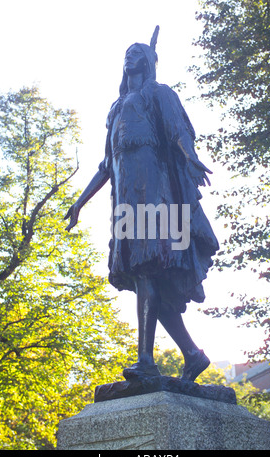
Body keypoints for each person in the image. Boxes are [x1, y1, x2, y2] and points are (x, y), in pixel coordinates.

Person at [64, 26, 219, 381]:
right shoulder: (117, 107)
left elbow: (177, 132)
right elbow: (106, 165)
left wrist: (191, 157)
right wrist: (79, 202)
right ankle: (193, 355)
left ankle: (146, 362)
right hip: (126, 204)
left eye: (138, 52)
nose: (130, 54)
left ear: (149, 62)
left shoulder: (158, 94)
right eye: (127, 52)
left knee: (148, 272)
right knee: (147, 281)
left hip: (158, 199)